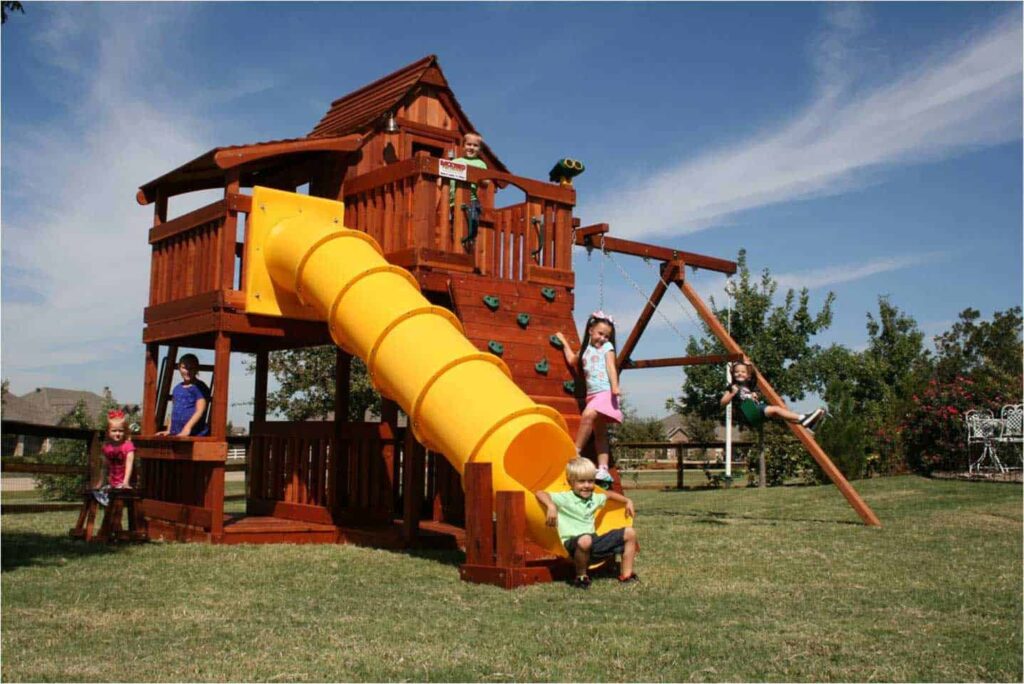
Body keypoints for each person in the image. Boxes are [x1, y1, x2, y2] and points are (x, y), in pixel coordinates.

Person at [535, 457, 639, 589]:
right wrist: (551, 506)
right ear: (570, 482)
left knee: (630, 533)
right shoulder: (565, 498)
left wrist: (627, 501)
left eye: (591, 481)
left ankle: (626, 575)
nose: (587, 486)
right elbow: (540, 493)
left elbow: (609, 494)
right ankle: (581, 577)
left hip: (592, 542)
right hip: (571, 545)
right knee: (585, 539)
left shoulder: (594, 498)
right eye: (581, 482)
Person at [554, 311, 622, 486]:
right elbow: (572, 360)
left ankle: (575, 451)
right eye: (600, 333)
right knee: (599, 432)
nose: (603, 338)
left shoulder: (608, 348)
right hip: (592, 395)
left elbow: (611, 367)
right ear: (591, 330)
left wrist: (615, 386)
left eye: (607, 336)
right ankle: (603, 468)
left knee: (588, 415)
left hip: (605, 393)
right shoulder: (585, 350)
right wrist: (563, 343)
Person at [721, 360, 825, 430]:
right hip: (747, 412)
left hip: (754, 415)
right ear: (733, 374)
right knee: (775, 409)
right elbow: (723, 402)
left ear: (748, 376)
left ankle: (805, 423)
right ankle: (802, 417)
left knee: (778, 415)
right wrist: (732, 393)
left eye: (743, 372)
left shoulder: (749, 386)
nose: (739, 373)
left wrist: (750, 366)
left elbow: (755, 376)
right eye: (736, 372)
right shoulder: (732, 387)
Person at [447, 132, 488, 247]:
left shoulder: (480, 164)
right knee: (455, 224)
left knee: (472, 220)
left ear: (479, 149)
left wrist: (479, 178)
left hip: (471, 199)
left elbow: (486, 182)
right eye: (469, 144)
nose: (471, 147)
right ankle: (456, 242)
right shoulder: (456, 162)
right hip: (453, 200)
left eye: (475, 145)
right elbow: (445, 177)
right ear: (463, 146)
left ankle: (470, 239)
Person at [157, 353, 211, 436]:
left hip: (194, 434)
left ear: (196, 369)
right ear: (179, 368)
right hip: (177, 432)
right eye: (184, 368)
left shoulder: (200, 387)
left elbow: (200, 411)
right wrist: (169, 430)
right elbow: (174, 411)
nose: (187, 371)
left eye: (191, 368)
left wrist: (187, 428)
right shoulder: (177, 389)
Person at [93, 409, 135, 507]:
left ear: (125, 431)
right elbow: (104, 467)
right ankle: (110, 519)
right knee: (99, 493)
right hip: (113, 483)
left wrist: (126, 482)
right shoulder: (107, 447)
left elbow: (129, 464)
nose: (117, 433)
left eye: (120, 431)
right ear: (108, 432)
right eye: (114, 431)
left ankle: (114, 519)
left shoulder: (128, 446)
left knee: (116, 498)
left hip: (126, 482)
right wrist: (101, 482)